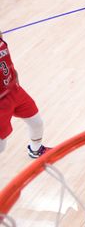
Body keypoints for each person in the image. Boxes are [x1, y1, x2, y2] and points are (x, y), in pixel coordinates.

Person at [0, 30, 49, 158]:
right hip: (1, 102)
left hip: (14, 90)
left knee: (36, 122)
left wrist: (14, 73)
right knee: (1, 146)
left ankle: (36, 150)